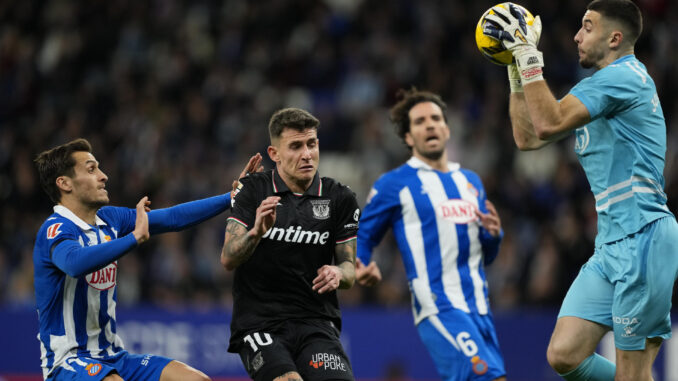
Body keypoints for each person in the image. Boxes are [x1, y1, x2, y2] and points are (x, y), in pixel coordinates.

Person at [483, 1, 678, 380]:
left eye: (587, 27)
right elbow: (528, 136)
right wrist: (515, 72)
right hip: (610, 246)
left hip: (644, 239)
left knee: (631, 373)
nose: (576, 35)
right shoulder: (598, 87)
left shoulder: (625, 78)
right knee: (564, 353)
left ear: (615, 38)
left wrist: (527, 55)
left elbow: (546, 122)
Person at [33, 138, 262, 381]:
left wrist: (232, 198)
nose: (103, 176)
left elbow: (172, 217)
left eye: (99, 167)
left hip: (112, 356)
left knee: (196, 380)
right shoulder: (55, 230)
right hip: (67, 362)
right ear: (64, 183)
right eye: (91, 169)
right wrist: (133, 238)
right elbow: (74, 263)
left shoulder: (109, 219)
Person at [355, 88, 506, 381]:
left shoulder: (470, 181)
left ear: (447, 129)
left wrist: (494, 236)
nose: (430, 125)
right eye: (420, 121)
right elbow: (363, 236)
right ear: (409, 137)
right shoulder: (393, 184)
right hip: (439, 306)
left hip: (479, 307)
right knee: (488, 378)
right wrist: (359, 264)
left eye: (436, 118)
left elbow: (485, 255)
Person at [220, 108, 360, 381]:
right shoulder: (253, 190)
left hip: (317, 322)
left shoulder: (340, 198)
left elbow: (349, 269)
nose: (307, 154)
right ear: (275, 154)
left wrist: (339, 273)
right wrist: (256, 232)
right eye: (295, 146)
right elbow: (227, 258)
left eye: (312, 144)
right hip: (260, 324)